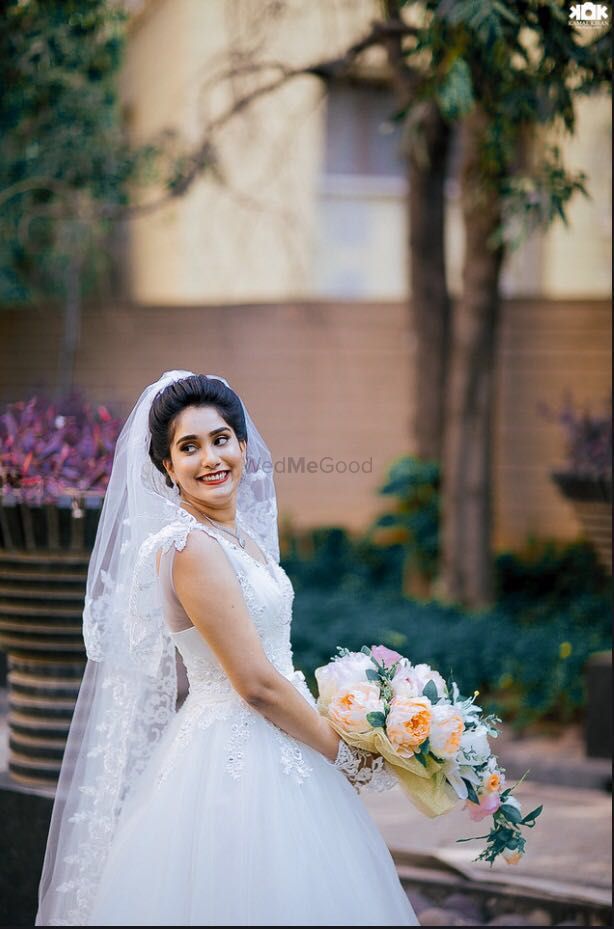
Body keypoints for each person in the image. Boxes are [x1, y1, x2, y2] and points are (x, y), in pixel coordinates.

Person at [35, 371, 420, 927]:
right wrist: (342, 754)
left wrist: (345, 715)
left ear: (243, 446)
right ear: (168, 468)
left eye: (220, 440)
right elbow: (256, 683)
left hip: (284, 741)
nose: (210, 458)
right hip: (234, 760)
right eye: (188, 447)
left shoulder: (239, 539)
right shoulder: (190, 546)